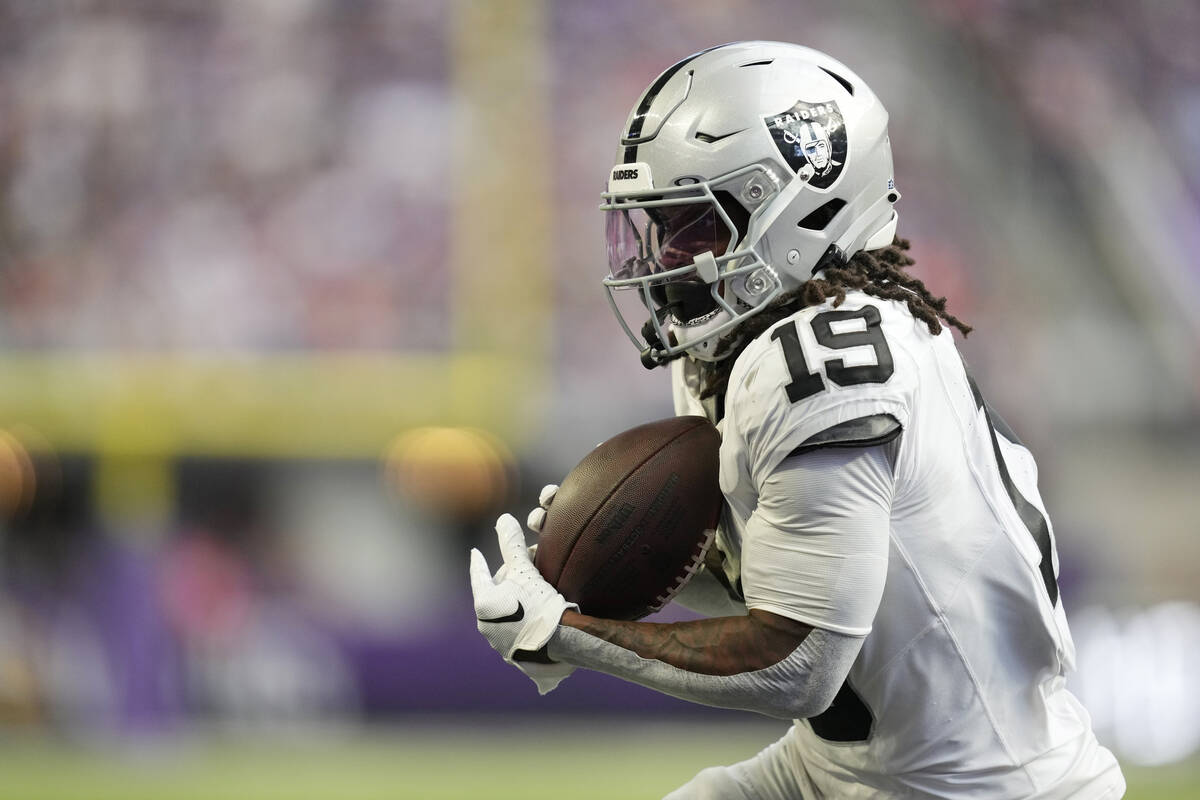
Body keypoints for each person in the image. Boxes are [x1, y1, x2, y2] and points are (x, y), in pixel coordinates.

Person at [469, 41, 1126, 798]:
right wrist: (627, 559)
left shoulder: (817, 361)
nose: (662, 259)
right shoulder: (763, 344)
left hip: (972, 787)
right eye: (659, 226)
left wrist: (568, 634)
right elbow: (786, 585)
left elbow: (797, 662)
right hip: (851, 767)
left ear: (798, 205)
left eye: (694, 225)